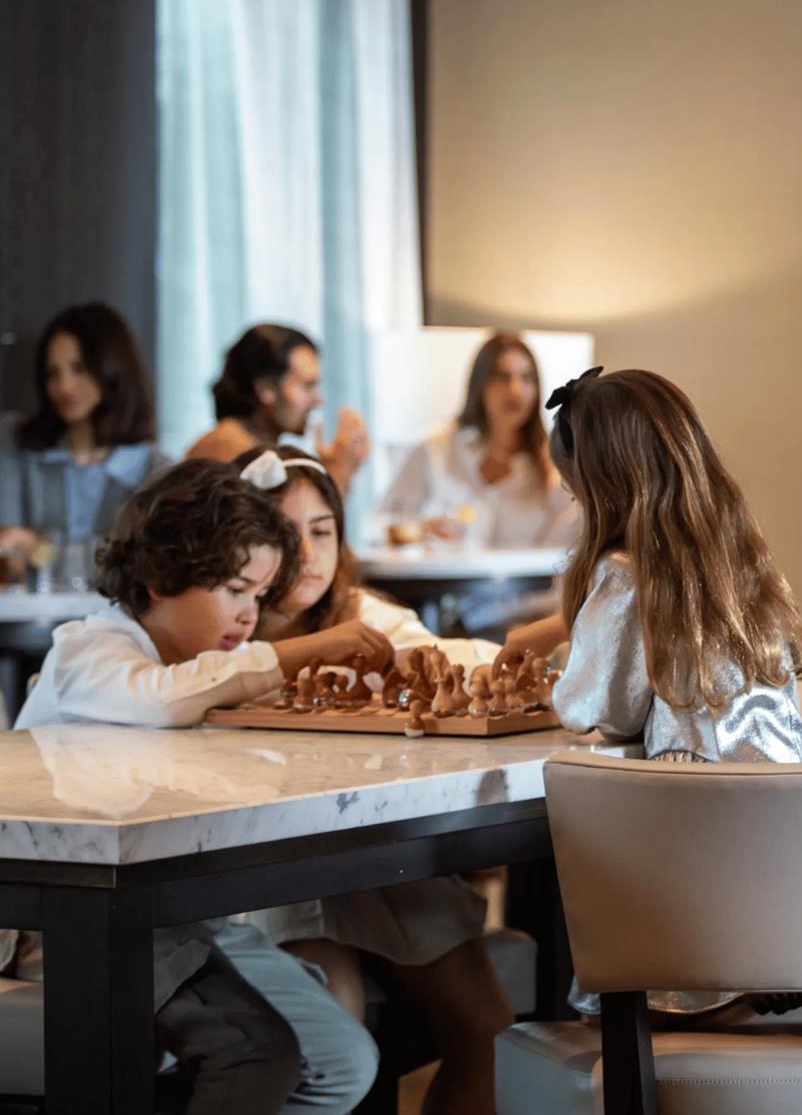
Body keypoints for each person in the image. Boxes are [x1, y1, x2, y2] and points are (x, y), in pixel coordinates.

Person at [498, 366, 802, 1052]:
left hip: (706, 823)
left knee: (626, 1002)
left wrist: (563, 663)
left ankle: (794, 969)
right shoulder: (739, 564)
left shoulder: (623, 575)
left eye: (576, 492)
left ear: (604, 490)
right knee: (758, 928)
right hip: (799, 814)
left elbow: (599, 706)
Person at [5, 457, 390, 1114]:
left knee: (345, 1063)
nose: (249, 615)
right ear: (159, 576)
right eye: (236, 589)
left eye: (261, 597)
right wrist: (307, 650)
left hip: (182, 911)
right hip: (82, 919)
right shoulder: (90, 650)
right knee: (257, 1051)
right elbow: (159, 701)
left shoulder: (200, 667)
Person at [234, 444, 510, 1115]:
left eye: (322, 531)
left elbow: (446, 663)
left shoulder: (367, 616)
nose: (308, 553)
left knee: (487, 1026)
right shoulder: (221, 628)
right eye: (282, 533)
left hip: (371, 858)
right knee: (336, 1015)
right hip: (266, 868)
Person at [0, 302, 171, 568]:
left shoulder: (156, 469)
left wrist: (37, 549)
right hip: (26, 609)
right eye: (52, 374)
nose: (64, 387)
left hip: (115, 610)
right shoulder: (15, 441)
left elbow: (128, 568)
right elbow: (9, 554)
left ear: (114, 367)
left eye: (79, 368)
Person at [380, 332, 576, 549]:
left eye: (527, 378)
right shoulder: (435, 451)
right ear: (480, 384)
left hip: (530, 582)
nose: (515, 390)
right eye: (502, 377)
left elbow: (566, 547)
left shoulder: (555, 465)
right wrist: (420, 530)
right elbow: (385, 527)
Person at [186, 324, 370, 494]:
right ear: (266, 389)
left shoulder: (258, 447)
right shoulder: (226, 447)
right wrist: (338, 473)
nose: (318, 400)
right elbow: (290, 529)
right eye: (307, 386)